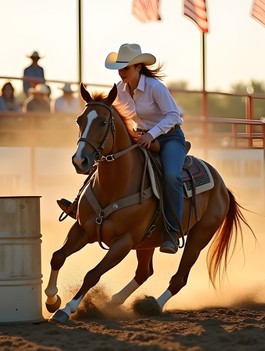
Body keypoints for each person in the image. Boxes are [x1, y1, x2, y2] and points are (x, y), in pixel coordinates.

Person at [59, 43, 185, 254]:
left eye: (126, 67)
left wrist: (151, 135)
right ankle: (81, 208)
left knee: (172, 176)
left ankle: (172, 231)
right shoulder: (119, 89)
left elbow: (174, 116)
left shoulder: (155, 87)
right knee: (104, 159)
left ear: (138, 68)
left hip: (169, 138)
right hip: (140, 137)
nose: (122, 72)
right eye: (120, 68)